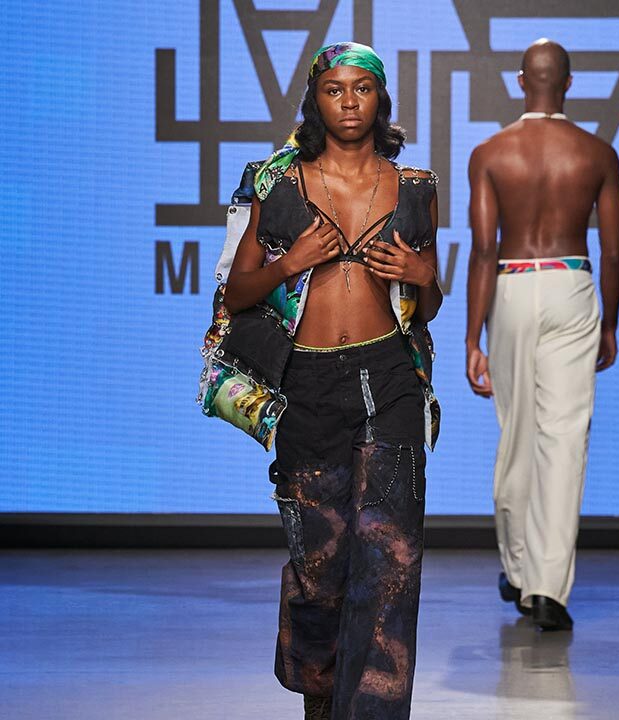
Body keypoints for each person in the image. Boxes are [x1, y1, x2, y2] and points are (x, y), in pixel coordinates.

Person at [224, 42, 442, 719]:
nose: (349, 102)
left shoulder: (415, 187)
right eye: (334, 89)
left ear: (381, 99)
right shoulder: (276, 184)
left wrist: (424, 278)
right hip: (309, 385)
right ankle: (320, 696)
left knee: (392, 559)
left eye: (362, 88)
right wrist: (290, 263)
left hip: (389, 378)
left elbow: (426, 305)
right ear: (315, 101)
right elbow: (234, 296)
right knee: (319, 566)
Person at [466, 39, 619, 631]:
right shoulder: (597, 153)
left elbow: (483, 250)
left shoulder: (490, 152)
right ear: (569, 82)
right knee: (563, 438)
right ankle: (547, 589)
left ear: (520, 81)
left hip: (510, 284)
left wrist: (472, 340)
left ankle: (517, 567)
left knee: (517, 433)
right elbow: (613, 253)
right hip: (571, 282)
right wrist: (610, 322)